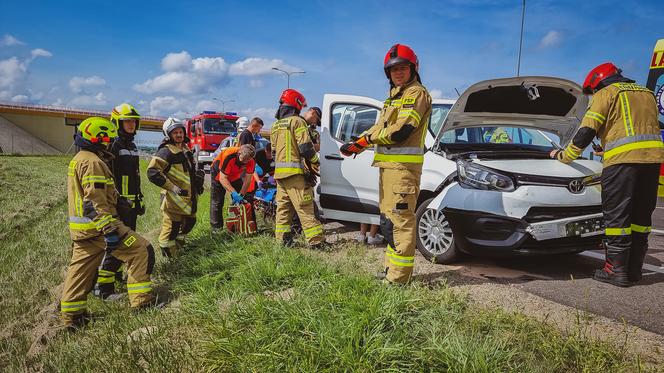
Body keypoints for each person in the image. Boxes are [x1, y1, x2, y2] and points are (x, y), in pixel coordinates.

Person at [551, 62, 664, 287]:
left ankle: (615, 272)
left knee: (617, 217)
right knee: (641, 217)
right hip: (652, 161)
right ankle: (634, 271)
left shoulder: (607, 92)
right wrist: (607, 145)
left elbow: (587, 130)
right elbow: (636, 128)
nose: (593, 95)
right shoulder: (647, 93)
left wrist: (564, 155)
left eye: (592, 91)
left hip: (622, 164)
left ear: (597, 83)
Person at [340, 44, 432, 284]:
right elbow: (379, 128)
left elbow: (402, 130)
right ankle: (391, 270)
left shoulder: (416, 94)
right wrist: (357, 143)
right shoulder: (394, 98)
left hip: (403, 171)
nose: (398, 73)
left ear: (413, 68)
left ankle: (399, 279)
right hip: (388, 168)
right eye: (393, 70)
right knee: (388, 222)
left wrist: (368, 139)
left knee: (401, 222)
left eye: (402, 68)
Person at [61, 117, 156, 329]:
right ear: (99, 138)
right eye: (106, 139)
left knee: (80, 271)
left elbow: (95, 194)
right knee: (142, 250)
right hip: (99, 228)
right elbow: (93, 202)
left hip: (83, 231)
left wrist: (118, 200)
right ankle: (142, 303)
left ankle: (72, 317)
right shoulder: (93, 162)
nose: (108, 143)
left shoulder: (79, 158)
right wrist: (109, 230)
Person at [94, 103, 144, 299]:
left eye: (133, 121)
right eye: (126, 121)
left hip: (130, 204)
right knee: (117, 244)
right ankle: (103, 289)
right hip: (119, 204)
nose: (131, 125)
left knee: (125, 243)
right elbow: (110, 177)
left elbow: (135, 175)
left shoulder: (130, 145)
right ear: (117, 123)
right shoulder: (113, 145)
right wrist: (117, 201)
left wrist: (138, 198)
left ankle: (115, 276)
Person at [271, 88, 325, 247]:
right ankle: (316, 242)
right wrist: (316, 162)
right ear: (297, 104)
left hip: (280, 175)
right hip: (295, 174)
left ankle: (282, 241)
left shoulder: (275, 125)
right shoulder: (298, 121)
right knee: (305, 207)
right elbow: (306, 148)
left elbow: (274, 151)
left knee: (283, 210)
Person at [147, 118, 203, 258]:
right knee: (171, 230)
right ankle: (169, 260)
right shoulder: (166, 152)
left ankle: (178, 249)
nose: (179, 135)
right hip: (173, 199)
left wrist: (198, 183)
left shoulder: (185, 149)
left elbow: (189, 171)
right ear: (169, 135)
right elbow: (152, 172)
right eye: (175, 132)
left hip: (189, 198)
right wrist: (171, 187)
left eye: (180, 131)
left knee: (190, 223)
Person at [209, 144, 257, 231]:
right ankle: (216, 228)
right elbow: (222, 178)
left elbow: (247, 181)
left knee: (245, 200)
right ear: (239, 153)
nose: (245, 162)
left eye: (247, 160)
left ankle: (242, 226)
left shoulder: (251, 161)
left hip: (234, 176)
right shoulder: (229, 155)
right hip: (218, 173)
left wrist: (241, 195)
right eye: (243, 160)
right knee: (217, 201)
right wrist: (234, 193)